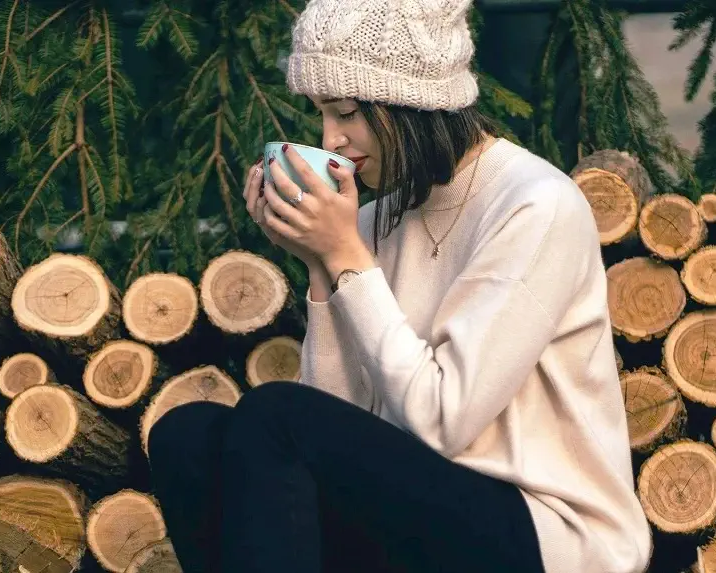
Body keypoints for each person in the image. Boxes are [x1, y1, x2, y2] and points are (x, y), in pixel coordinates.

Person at [146, 0, 652, 571]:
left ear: (412, 103)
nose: (329, 139)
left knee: (275, 414)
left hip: (549, 532)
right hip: (424, 512)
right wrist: (320, 262)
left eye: (347, 113)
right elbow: (333, 427)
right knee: (187, 435)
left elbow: (442, 421)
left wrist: (347, 258)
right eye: (320, 114)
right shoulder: (373, 219)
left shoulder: (535, 205)